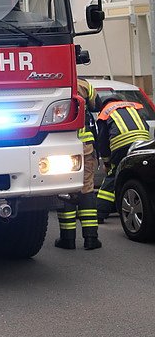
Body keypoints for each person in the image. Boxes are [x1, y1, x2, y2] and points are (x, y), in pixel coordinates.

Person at [55, 77, 102, 250]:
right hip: (85, 146)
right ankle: (91, 238)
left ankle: (67, 239)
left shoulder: (54, 81)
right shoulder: (84, 84)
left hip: (60, 146)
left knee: (65, 189)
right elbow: (97, 105)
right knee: (86, 188)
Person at [96, 92, 151, 223]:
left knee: (113, 174)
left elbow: (102, 142)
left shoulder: (105, 112)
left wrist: (107, 162)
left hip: (122, 144)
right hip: (143, 140)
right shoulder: (132, 106)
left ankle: (100, 212)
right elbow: (146, 125)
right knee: (139, 174)